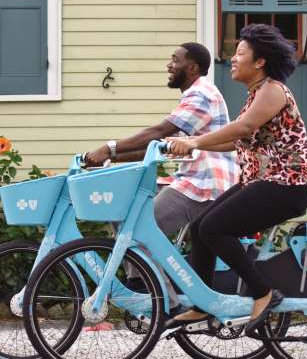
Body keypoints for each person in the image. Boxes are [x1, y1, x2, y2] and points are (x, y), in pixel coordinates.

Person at [164, 24, 307, 336]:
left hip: (288, 184)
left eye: (240, 54)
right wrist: (193, 142)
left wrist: (194, 142)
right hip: (262, 182)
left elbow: (243, 129)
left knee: (215, 228)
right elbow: (235, 142)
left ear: (259, 62)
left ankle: (263, 292)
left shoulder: (273, 91)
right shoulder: (255, 95)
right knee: (199, 227)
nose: (232, 60)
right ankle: (203, 301)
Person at [83, 42, 238, 237]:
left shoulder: (201, 94)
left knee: (136, 230)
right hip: (193, 179)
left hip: (205, 183)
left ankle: (146, 268)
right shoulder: (193, 96)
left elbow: (160, 131)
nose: (169, 65)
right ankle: (150, 265)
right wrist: (111, 157)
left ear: (192, 68)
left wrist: (108, 148)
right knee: (123, 202)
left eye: (175, 60)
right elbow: (160, 145)